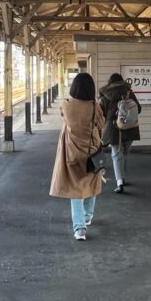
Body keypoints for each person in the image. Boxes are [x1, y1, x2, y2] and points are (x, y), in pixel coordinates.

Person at [50, 72, 105, 241]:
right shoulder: (94, 106)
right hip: (91, 152)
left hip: (72, 153)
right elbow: (101, 123)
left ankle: (79, 228)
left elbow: (64, 117)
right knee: (91, 183)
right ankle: (88, 216)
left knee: (75, 189)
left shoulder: (66, 105)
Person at [99, 73, 141, 194]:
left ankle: (119, 182)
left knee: (116, 155)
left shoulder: (106, 95)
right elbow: (138, 109)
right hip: (130, 127)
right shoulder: (129, 92)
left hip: (113, 129)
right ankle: (123, 177)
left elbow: (101, 113)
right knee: (125, 153)